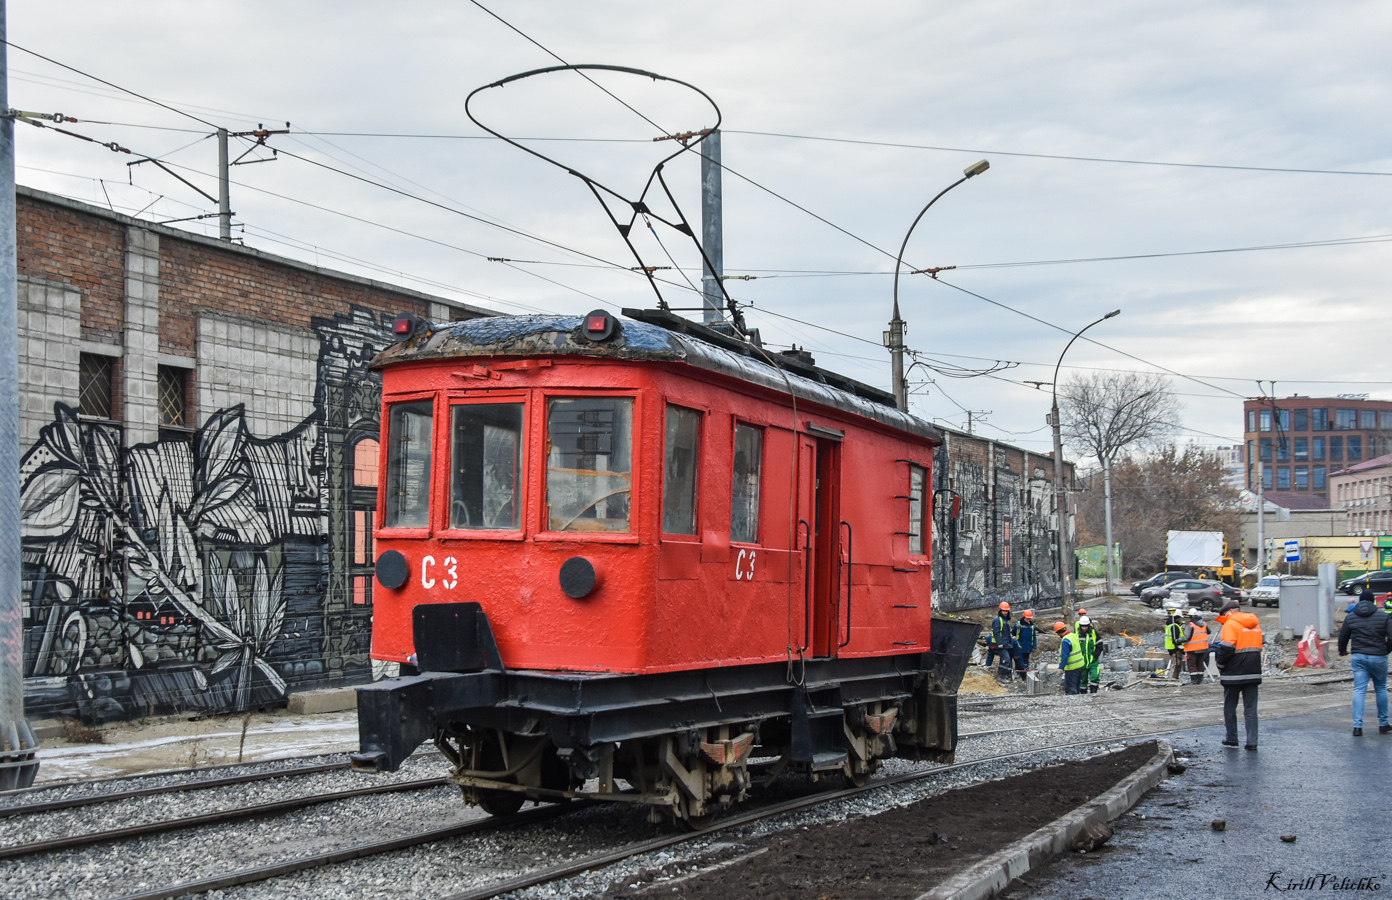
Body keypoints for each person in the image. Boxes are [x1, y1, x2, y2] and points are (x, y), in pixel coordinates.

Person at [1337, 589, 1392, 736]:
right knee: (1380, 688)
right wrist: (1385, 650)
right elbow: (1391, 637)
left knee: (1359, 690)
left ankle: (1357, 726)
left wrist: (1342, 651)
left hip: (1359, 657)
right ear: (1373, 601)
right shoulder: (1383, 616)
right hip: (1378, 657)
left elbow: (1343, 637)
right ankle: (1384, 724)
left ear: (1360, 601)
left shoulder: (1351, 616)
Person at [1214, 599, 1263, 750]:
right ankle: (1252, 742)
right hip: (1253, 672)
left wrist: (1220, 665)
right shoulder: (1256, 626)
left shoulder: (1230, 624)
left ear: (1229, 612)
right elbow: (1259, 647)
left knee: (1230, 707)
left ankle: (1232, 738)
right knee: (1251, 709)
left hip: (1233, 673)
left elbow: (1227, 648)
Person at [986, 602, 1017, 678]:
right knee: (1006, 660)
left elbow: (1007, 634)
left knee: (1005, 660)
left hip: (1006, 644)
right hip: (999, 644)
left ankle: (1003, 676)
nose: (1005, 612)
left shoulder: (1006, 621)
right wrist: (999, 643)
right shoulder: (998, 620)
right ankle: (1001, 676)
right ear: (1000, 611)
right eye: (1004, 611)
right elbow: (996, 632)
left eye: (1006, 611)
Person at [1055, 621, 1086, 695]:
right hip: (1080, 665)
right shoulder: (1073, 636)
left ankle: (1072, 704)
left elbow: (1065, 656)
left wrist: (1061, 668)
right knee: (1077, 686)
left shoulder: (1065, 641)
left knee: (1070, 688)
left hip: (1072, 668)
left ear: (1058, 633)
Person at [1182, 608, 1210, 685]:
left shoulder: (1190, 625)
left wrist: (1177, 640)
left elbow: (1186, 637)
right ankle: (1200, 680)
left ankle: (1194, 681)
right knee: (1200, 663)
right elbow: (1209, 632)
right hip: (1203, 648)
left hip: (1192, 649)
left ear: (1190, 616)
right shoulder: (1204, 623)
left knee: (1192, 664)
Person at [1077, 615, 1101, 693]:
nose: (1084, 628)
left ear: (1088, 625)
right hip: (1082, 663)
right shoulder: (1077, 634)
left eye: (1085, 626)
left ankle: (1093, 693)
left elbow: (1100, 645)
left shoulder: (1094, 633)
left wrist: (1095, 655)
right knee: (1082, 680)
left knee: (1095, 677)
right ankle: (1084, 696)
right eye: (1082, 626)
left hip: (1093, 661)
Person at [1014, 610, 1037, 677]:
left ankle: (1024, 674)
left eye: (1029, 618)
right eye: (1027, 618)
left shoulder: (1032, 626)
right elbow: (1013, 633)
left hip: (1028, 647)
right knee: (1019, 661)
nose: (1028, 620)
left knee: (1026, 661)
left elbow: (1034, 637)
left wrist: (1034, 646)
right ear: (1024, 617)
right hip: (1020, 646)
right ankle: (1019, 673)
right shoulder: (1019, 624)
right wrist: (1016, 628)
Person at [1164, 611, 1186, 681]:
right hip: (1175, 648)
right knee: (1176, 664)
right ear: (1177, 618)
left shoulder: (1170, 625)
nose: (1180, 619)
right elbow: (1175, 639)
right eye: (1180, 618)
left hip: (1171, 647)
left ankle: (1174, 678)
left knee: (1176, 664)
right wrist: (1180, 647)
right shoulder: (1174, 626)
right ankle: (1173, 679)